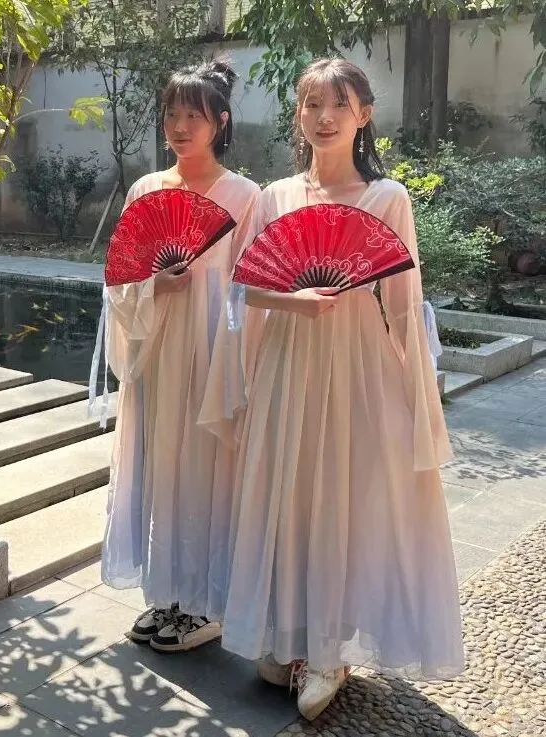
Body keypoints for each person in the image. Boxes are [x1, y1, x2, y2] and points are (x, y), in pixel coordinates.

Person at [220, 58, 464, 721]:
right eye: (311, 104)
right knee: (291, 494)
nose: (324, 117)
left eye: (339, 104)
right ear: (297, 114)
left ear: (364, 115)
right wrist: (292, 301)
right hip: (288, 363)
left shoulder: (388, 199)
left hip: (359, 365)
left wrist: (417, 397)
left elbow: (405, 306)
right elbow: (245, 289)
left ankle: (328, 648)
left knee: (343, 498)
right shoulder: (274, 196)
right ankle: (290, 633)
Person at [99, 58, 261, 653]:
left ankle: (206, 603)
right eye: (172, 114)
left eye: (194, 115)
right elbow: (119, 280)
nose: (180, 127)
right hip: (161, 350)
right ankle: (167, 592)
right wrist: (153, 286)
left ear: (221, 121)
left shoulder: (246, 197)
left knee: (207, 471)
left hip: (216, 351)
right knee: (161, 466)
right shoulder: (146, 190)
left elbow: (255, 287)